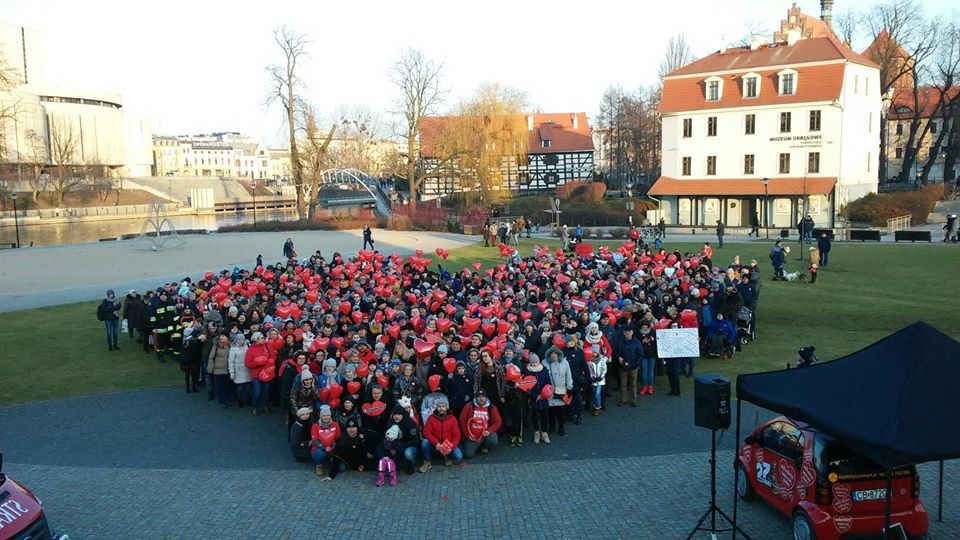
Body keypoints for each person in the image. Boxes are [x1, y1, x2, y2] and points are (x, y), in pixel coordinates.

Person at [420, 395, 462, 470]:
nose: (441, 408)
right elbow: (426, 432)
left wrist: (451, 447)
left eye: (443, 406)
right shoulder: (431, 418)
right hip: (435, 445)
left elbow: (457, 435)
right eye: (439, 406)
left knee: (458, 456)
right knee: (424, 442)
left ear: (446, 407)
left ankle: (447, 456)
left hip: (447, 444)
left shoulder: (452, 418)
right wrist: (436, 443)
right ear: (436, 407)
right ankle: (427, 461)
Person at [459, 389, 502, 458]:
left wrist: (489, 431)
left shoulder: (492, 407)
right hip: (473, 435)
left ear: (486, 398)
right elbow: (462, 420)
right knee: (468, 455)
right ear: (475, 398)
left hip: (485, 434)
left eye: (483, 397)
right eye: (479, 397)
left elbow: (498, 422)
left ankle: (484, 445)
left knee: (493, 440)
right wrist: (467, 434)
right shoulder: (469, 406)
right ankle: (476, 445)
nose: (481, 399)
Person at [523, 353, 553, 444]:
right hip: (533, 397)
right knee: (534, 416)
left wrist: (544, 394)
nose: (535, 364)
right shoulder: (527, 371)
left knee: (544, 416)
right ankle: (536, 432)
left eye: (536, 362)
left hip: (544, 396)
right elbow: (527, 387)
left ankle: (544, 432)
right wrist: (535, 396)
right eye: (533, 362)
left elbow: (548, 383)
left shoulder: (544, 370)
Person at [617, 326, 641, 407]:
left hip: (634, 367)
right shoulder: (620, 341)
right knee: (623, 384)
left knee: (633, 384)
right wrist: (618, 357)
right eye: (626, 331)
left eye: (629, 331)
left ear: (632, 332)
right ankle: (623, 400)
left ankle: (633, 400)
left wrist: (635, 364)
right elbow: (616, 352)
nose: (627, 333)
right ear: (623, 332)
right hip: (622, 366)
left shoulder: (637, 342)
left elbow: (640, 355)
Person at [638, 322, 658, 396]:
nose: (645, 328)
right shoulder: (638, 334)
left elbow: (657, 340)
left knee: (651, 371)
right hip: (643, 355)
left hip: (652, 354)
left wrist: (652, 339)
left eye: (646, 327)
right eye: (643, 327)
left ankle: (650, 387)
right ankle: (645, 386)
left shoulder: (653, 332)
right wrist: (643, 341)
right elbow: (637, 343)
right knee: (644, 371)